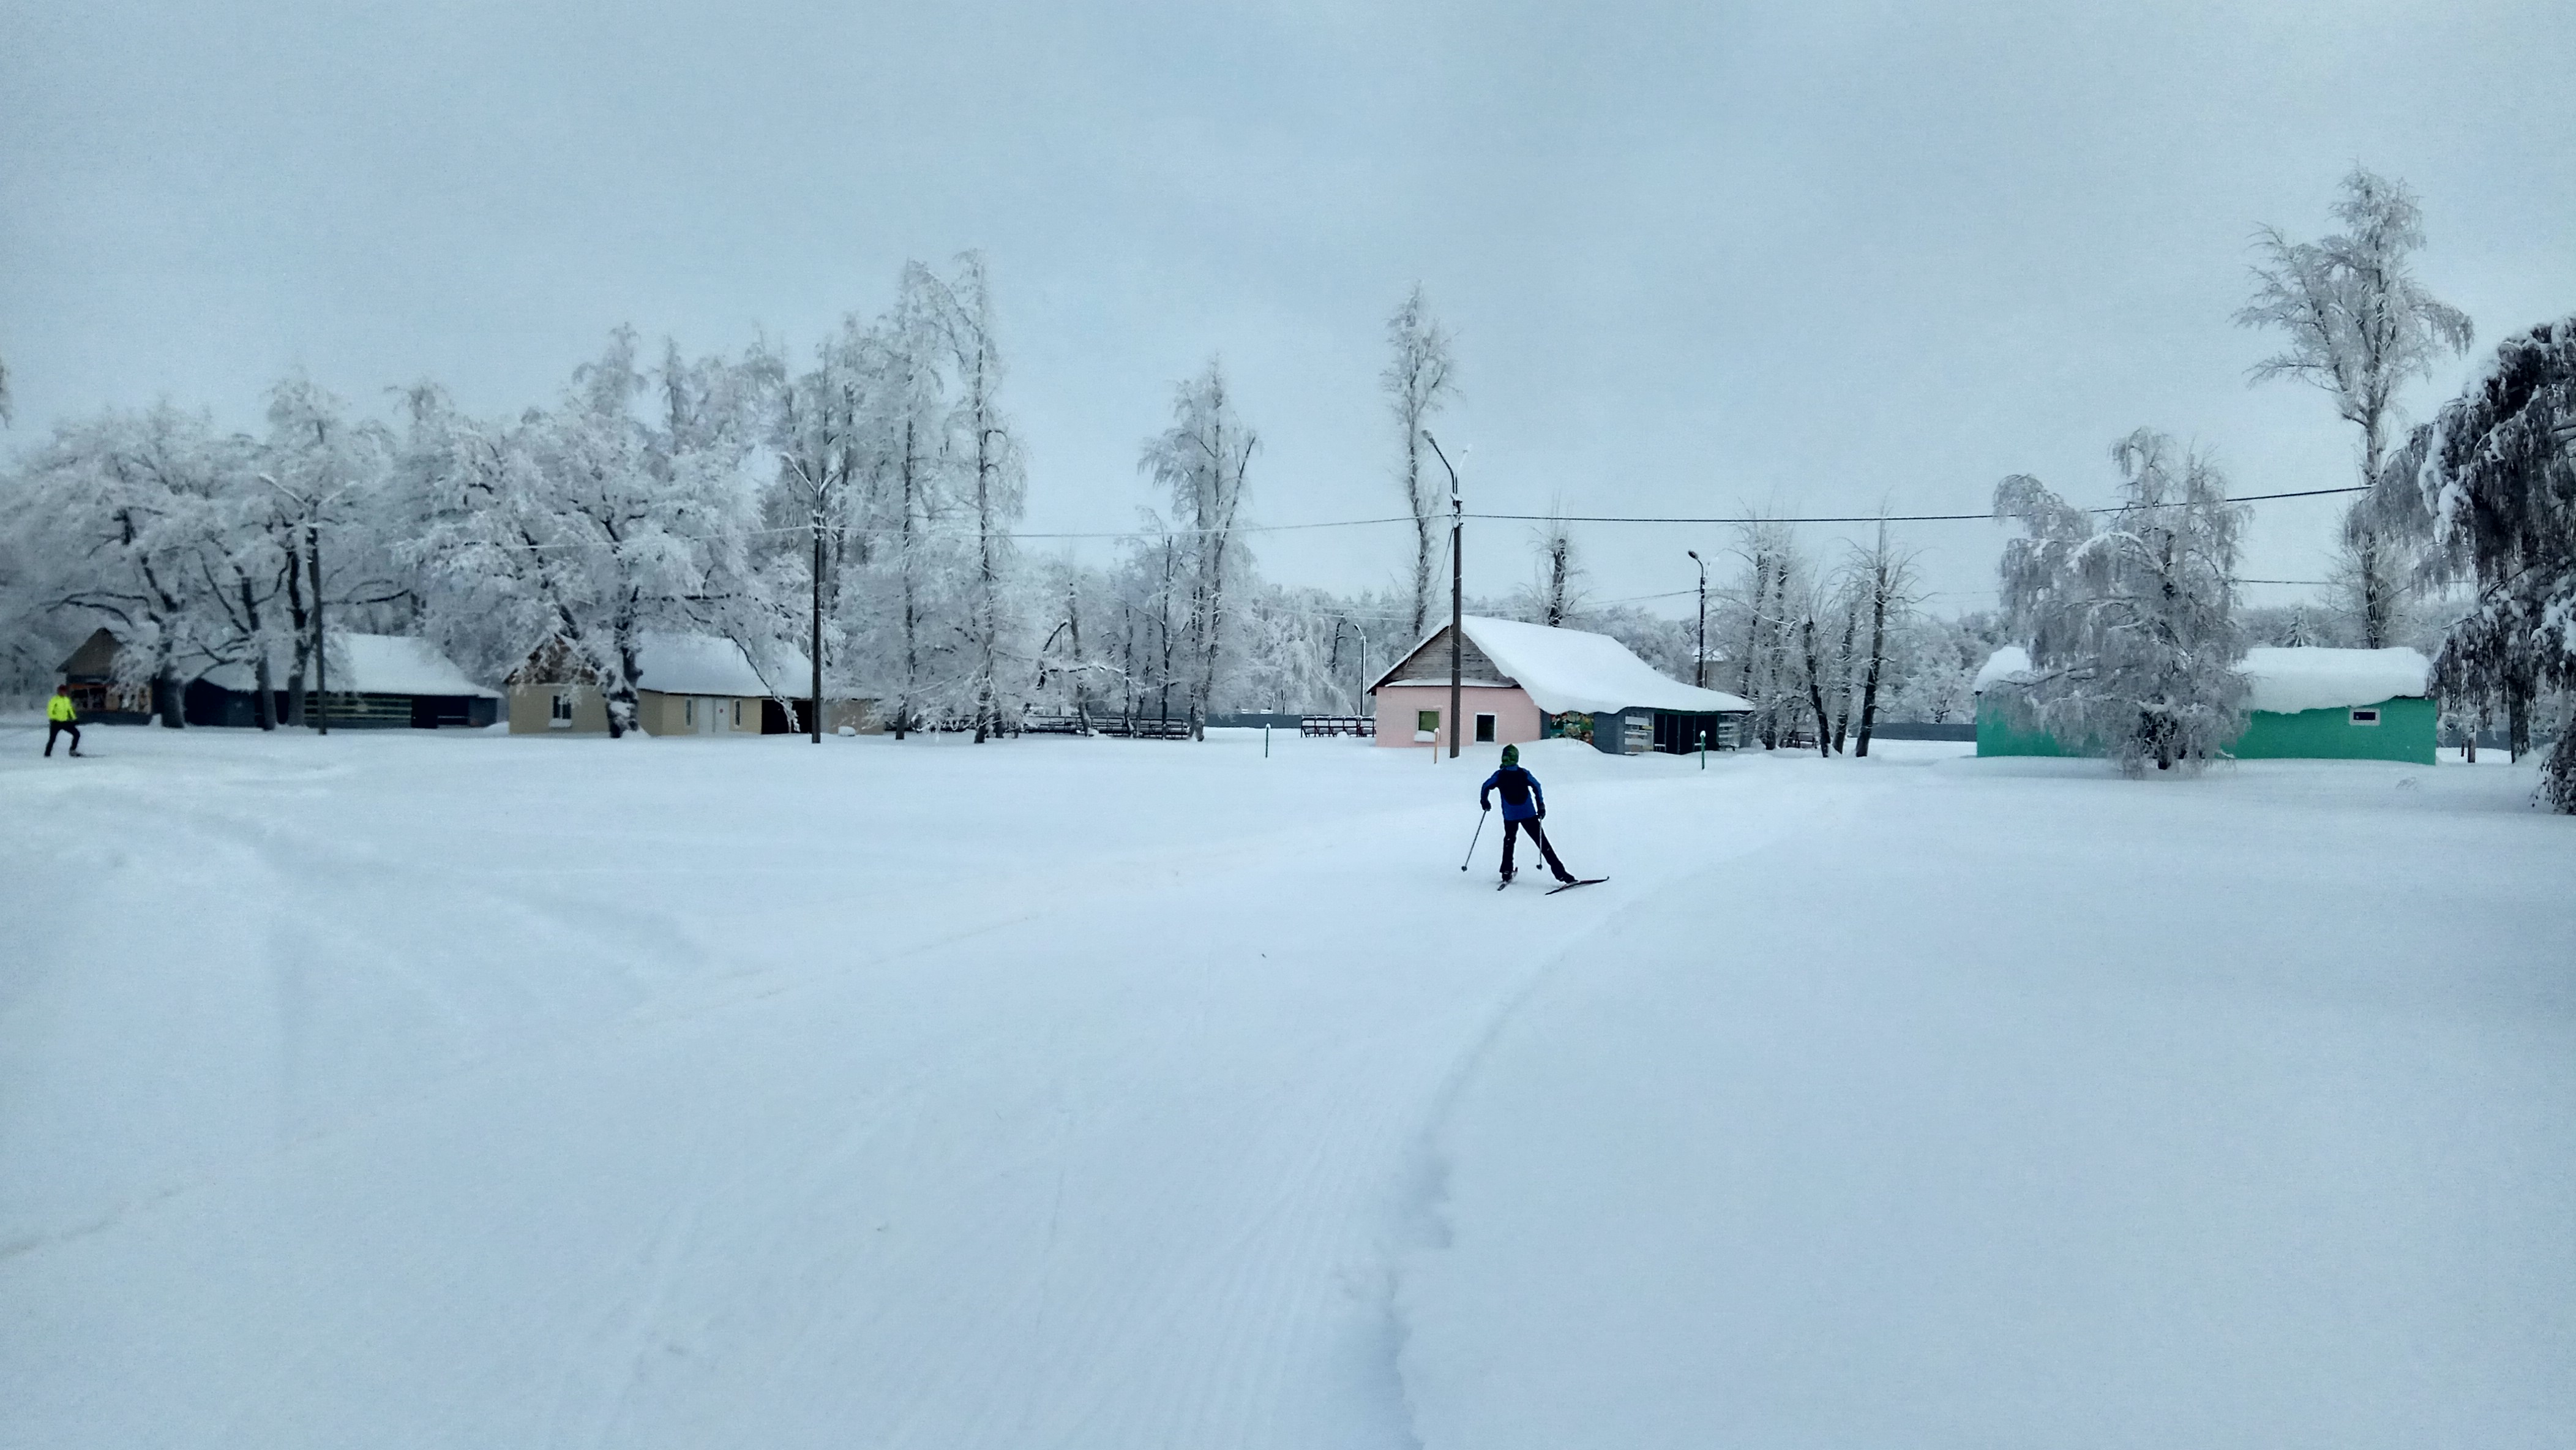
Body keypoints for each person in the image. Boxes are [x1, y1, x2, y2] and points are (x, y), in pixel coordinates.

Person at [1479, 743, 1574, 885]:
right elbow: (1537, 786)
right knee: (1542, 842)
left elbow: (1486, 786)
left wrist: (1484, 801)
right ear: (1517, 758)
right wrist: (1541, 806)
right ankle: (1561, 874)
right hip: (1528, 813)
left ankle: (1506, 871)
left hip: (1510, 815)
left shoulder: (1499, 775)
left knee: (1509, 842)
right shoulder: (1524, 773)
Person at [45, 684, 83, 757]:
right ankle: (47, 754)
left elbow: (70, 710)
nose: (63, 693)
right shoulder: (54, 700)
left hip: (65, 722)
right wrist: (55, 719)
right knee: (52, 739)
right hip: (56, 723)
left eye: (64, 692)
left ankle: (73, 750)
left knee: (77, 734)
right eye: (61, 691)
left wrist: (74, 719)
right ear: (59, 692)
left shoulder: (66, 700)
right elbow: (50, 712)